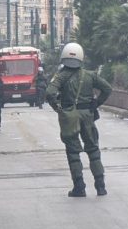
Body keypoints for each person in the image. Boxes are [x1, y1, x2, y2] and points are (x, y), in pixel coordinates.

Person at [46, 42, 112, 197]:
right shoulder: (90, 75)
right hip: (88, 115)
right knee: (93, 149)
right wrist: (96, 103)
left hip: (70, 116)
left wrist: (58, 109)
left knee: (73, 151)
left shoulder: (61, 76)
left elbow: (49, 93)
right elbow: (108, 88)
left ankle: (79, 186)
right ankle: (100, 186)